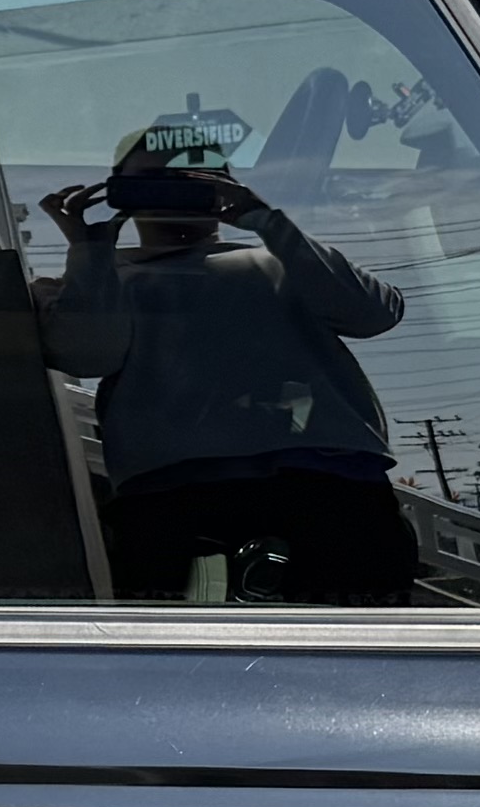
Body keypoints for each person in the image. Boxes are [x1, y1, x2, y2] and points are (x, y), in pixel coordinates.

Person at [40, 116, 417, 603]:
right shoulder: (102, 277)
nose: (171, 192)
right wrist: (88, 247)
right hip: (176, 499)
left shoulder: (280, 261)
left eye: (191, 178)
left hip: (325, 485)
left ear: (224, 186)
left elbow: (372, 313)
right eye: (149, 182)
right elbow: (86, 354)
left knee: (364, 652)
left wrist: (264, 220)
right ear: (119, 193)